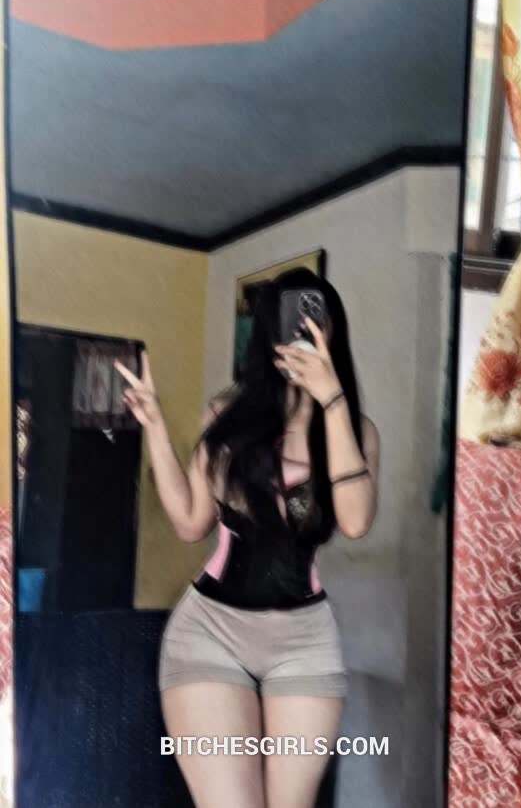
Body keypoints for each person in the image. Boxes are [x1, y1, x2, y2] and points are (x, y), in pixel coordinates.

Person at [114, 267, 380, 808]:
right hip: (209, 633)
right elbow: (191, 522)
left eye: (316, 320)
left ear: (334, 333)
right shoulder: (228, 415)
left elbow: (354, 522)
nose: (302, 332)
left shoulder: (356, 432)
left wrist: (331, 401)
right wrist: (155, 426)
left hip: (305, 645)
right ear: (268, 334)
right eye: (290, 321)